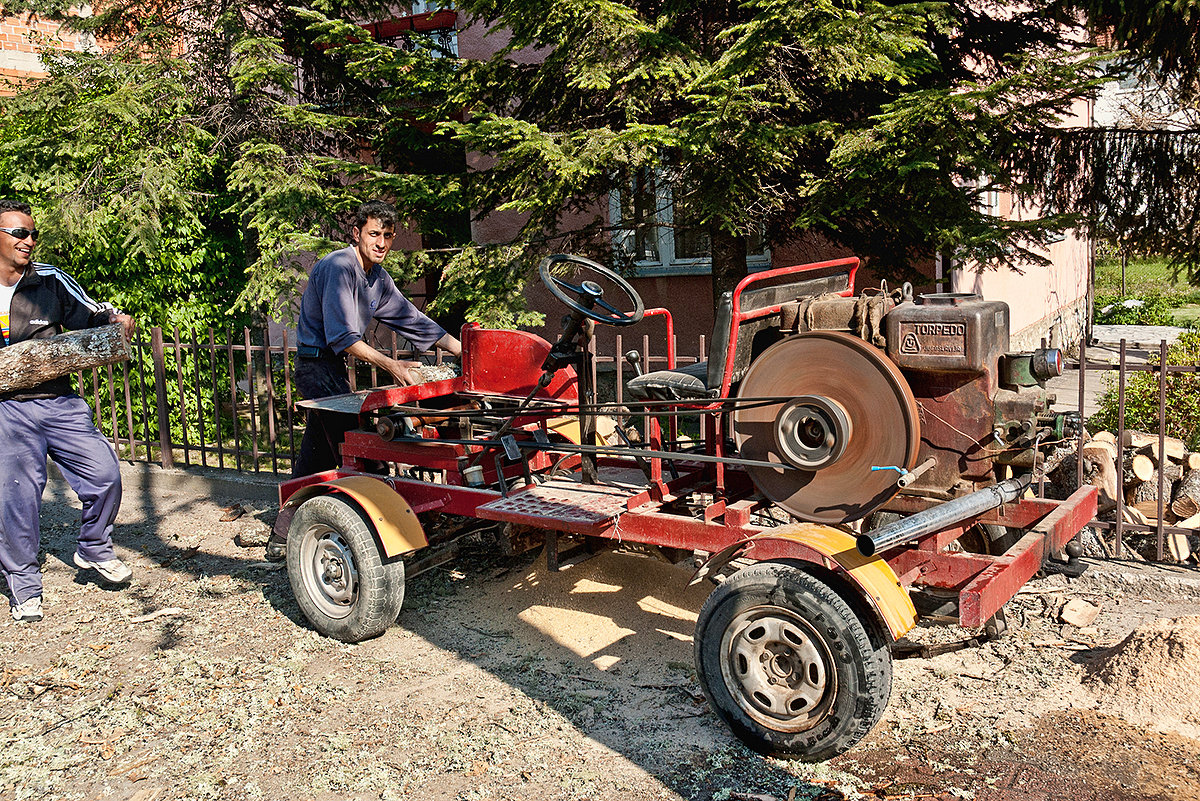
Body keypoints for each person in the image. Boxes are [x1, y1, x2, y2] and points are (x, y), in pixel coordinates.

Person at [267, 199, 461, 560]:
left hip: (333, 368)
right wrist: (394, 366)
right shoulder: (339, 267)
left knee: (320, 451)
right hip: (316, 366)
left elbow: (413, 320)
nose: (381, 242)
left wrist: (462, 349)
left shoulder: (378, 278)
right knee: (356, 445)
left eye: (388, 235)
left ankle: (281, 537)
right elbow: (342, 337)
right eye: (374, 234)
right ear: (356, 234)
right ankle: (386, 534)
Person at [0, 199, 137, 623]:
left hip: (59, 402)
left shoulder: (49, 280)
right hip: (8, 410)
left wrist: (117, 320)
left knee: (105, 475)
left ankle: (93, 547)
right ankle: (23, 583)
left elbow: (94, 312)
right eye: (19, 233)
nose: (29, 241)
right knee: (17, 497)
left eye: (33, 233)